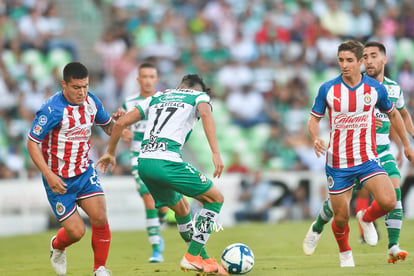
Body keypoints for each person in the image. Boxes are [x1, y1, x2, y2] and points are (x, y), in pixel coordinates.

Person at [96, 74, 228, 275]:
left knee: (182, 209)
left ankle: (205, 259)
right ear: (199, 90)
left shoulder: (157, 97)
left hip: (145, 164)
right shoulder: (199, 97)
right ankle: (191, 257)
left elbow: (121, 123)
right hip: (167, 161)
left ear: (179, 86)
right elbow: (206, 114)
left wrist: (110, 153)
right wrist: (216, 153)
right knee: (215, 199)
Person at [305, 40, 414, 267]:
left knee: (389, 200)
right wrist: (315, 137)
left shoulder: (376, 89)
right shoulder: (328, 88)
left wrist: (406, 143)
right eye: (341, 61)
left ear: (360, 62)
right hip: (338, 162)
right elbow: (314, 118)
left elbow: (394, 115)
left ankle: (368, 220)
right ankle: (344, 251)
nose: (344, 65)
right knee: (341, 217)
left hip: (367, 158)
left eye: (349, 60)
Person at [27, 62, 115, 276]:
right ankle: (57, 245)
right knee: (77, 232)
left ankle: (99, 269)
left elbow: (108, 126)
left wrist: (122, 124)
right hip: (58, 180)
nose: (82, 92)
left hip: (84, 172)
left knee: (100, 217)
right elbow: (32, 142)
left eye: (85, 86)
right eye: (76, 87)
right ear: (64, 85)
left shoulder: (92, 101)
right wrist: (48, 175)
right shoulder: (51, 110)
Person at [118, 62, 168, 263]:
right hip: (138, 157)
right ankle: (156, 248)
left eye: (151, 76)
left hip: (162, 156)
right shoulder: (129, 103)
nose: (147, 80)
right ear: (138, 80)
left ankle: (162, 216)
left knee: (163, 204)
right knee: (148, 198)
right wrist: (122, 130)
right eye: (144, 76)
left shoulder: (165, 101)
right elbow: (116, 123)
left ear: (156, 80)